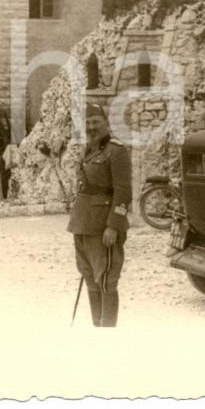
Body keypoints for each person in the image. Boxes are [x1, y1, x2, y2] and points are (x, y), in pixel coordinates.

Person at [67, 104, 132, 327]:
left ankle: (108, 332)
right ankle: (98, 327)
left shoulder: (117, 151)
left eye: (96, 122)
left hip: (103, 226)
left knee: (106, 279)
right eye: (87, 123)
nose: (91, 127)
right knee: (89, 277)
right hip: (82, 223)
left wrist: (113, 225)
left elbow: (124, 192)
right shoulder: (88, 149)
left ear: (106, 123)